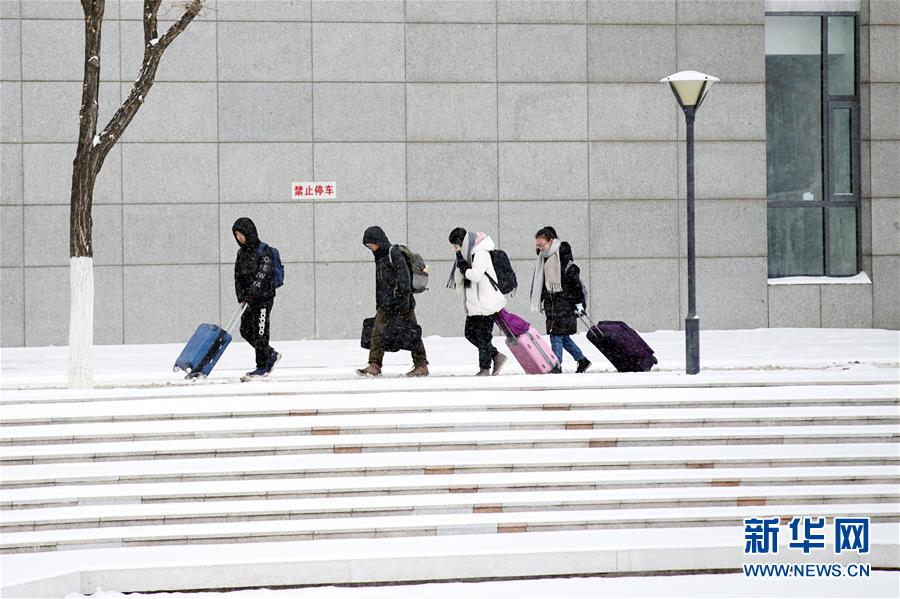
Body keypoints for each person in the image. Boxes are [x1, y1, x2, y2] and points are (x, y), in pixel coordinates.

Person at [357, 226, 429, 377]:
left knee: (412, 332)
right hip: (386, 304)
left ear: (378, 240)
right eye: (368, 245)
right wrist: (380, 303)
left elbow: (404, 278)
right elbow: (382, 283)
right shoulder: (380, 256)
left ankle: (421, 365)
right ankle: (374, 365)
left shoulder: (393, 253)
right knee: (377, 333)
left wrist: (402, 302)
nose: (370, 247)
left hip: (402, 304)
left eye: (371, 244)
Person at [447, 228, 508, 376]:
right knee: (470, 334)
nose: (455, 248)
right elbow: (459, 278)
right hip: (474, 304)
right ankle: (496, 355)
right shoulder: (466, 255)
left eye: (456, 245)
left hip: (486, 303)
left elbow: (475, 275)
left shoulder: (481, 253)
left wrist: (462, 264)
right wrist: (460, 259)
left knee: (483, 336)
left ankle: (484, 368)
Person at [530, 226, 591, 373]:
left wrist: (579, 302)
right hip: (552, 303)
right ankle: (582, 360)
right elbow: (544, 284)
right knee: (562, 336)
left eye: (542, 244)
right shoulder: (543, 260)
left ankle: (556, 365)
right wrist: (543, 300)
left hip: (565, 302)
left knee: (555, 335)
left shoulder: (562, 259)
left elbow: (575, 282)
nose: (539, 248)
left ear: (551, 241)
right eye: (537, 245)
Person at [232, 217, 281, 380]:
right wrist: (241, 295)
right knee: (245, 330)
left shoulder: (263, 250)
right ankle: (270, 354)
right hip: (249, 300)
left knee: (261, 332)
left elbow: (264, 273)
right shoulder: (241, 253)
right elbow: (237, 275)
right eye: (236, 235)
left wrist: (253, 291)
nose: (239, 238)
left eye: (241, 234)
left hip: (263, 299)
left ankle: (262, 367)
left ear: (249, 233)